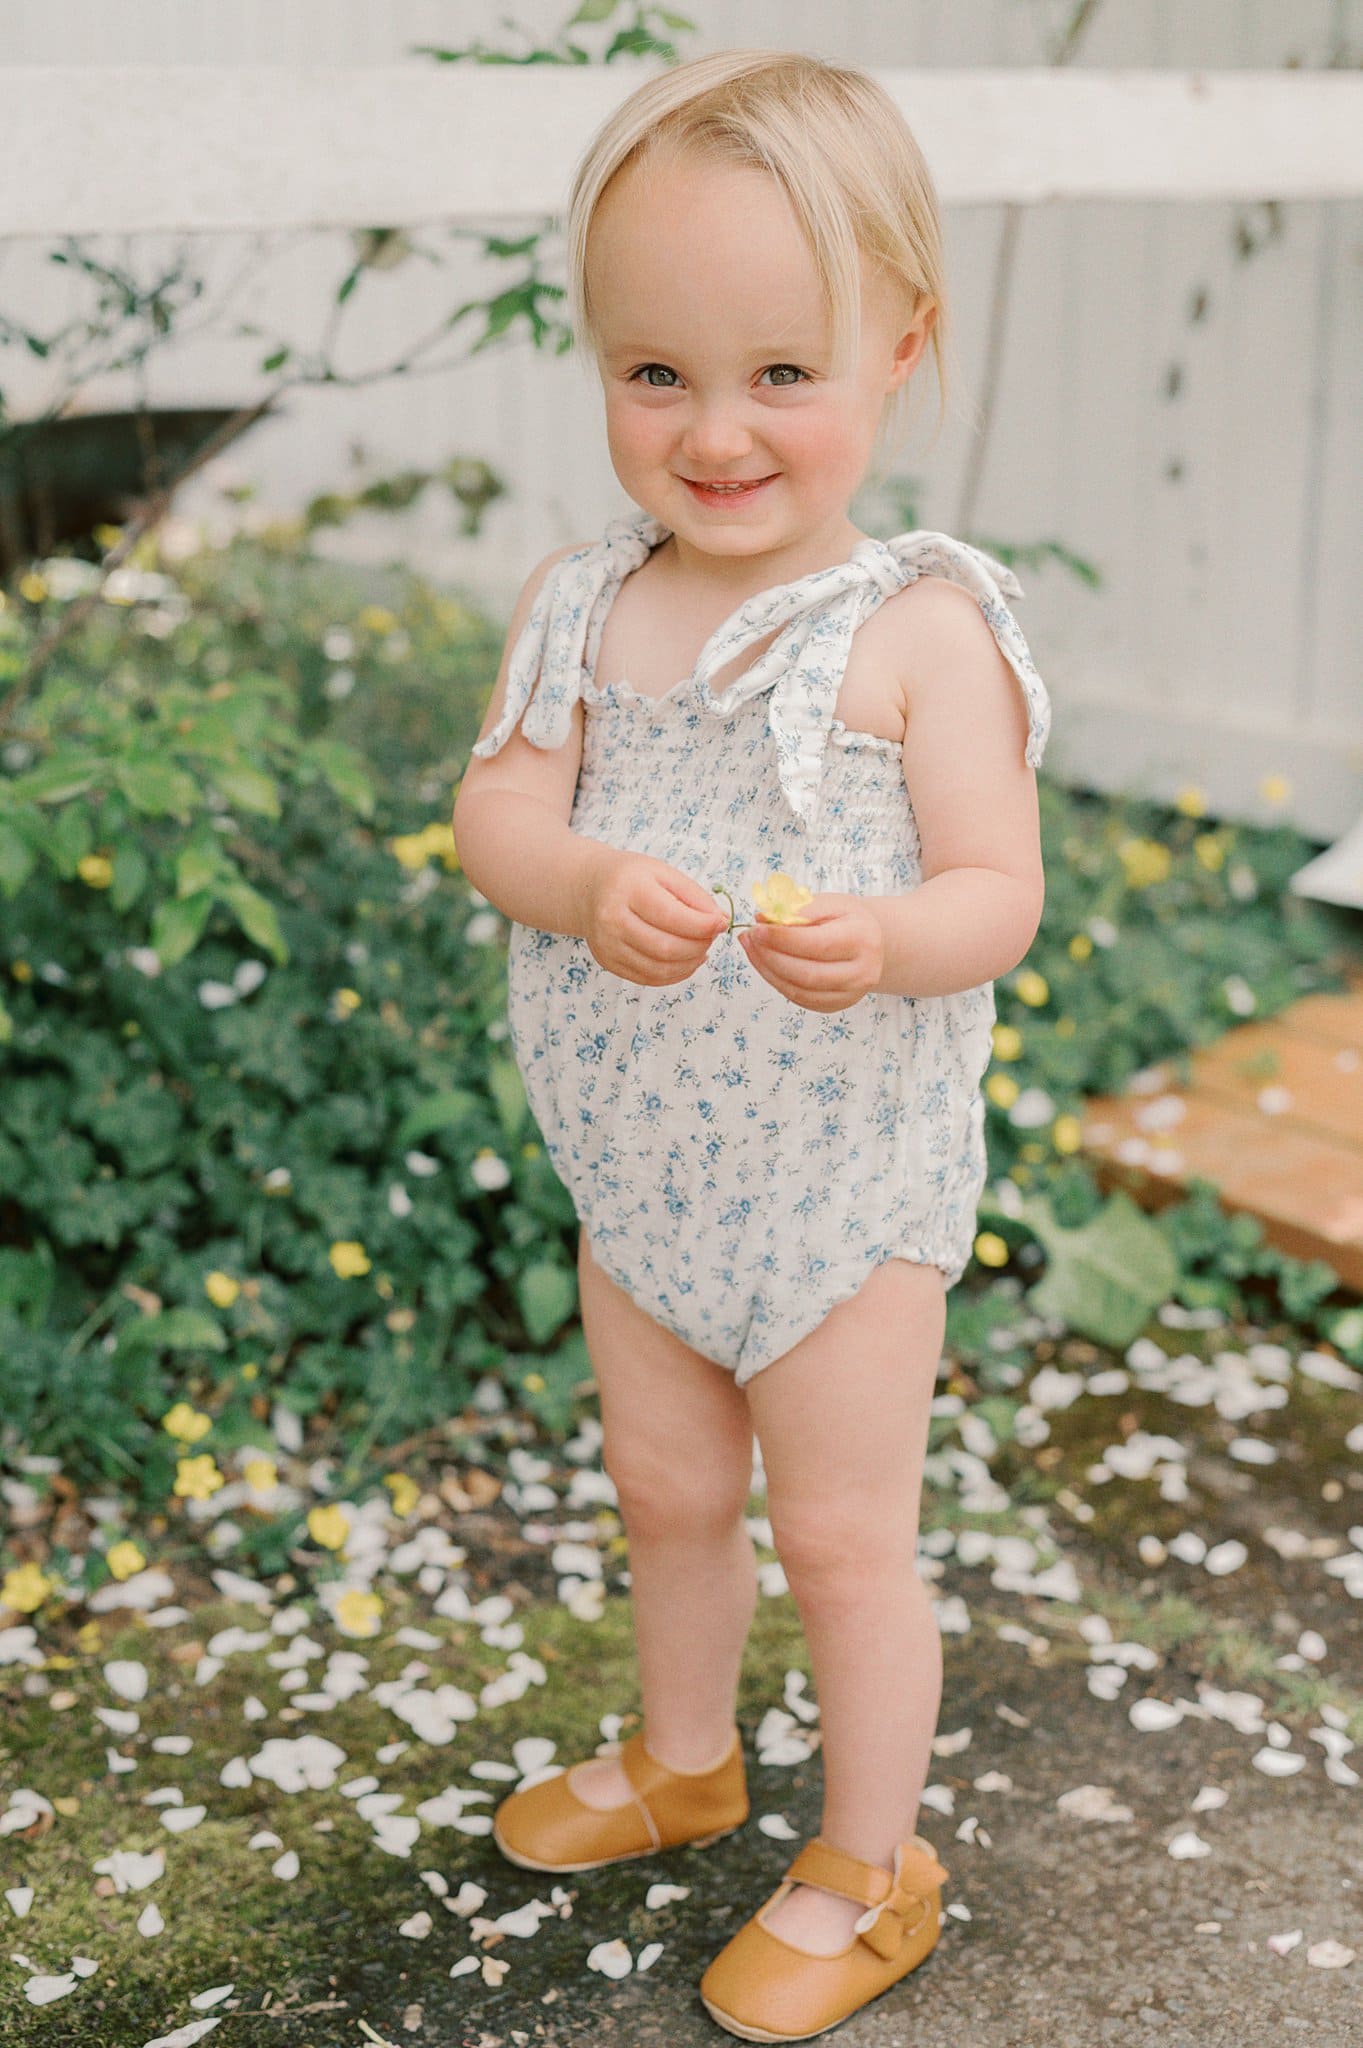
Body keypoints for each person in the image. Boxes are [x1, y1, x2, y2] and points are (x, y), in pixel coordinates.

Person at [451, 45, 1051, 2042]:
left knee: (839, 1530)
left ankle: (871, 1860)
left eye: (780, 372)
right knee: (662, 1481)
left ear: (900, 346)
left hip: (840, 1190)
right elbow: (500, 819)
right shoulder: (580, 604)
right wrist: (577, 884)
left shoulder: (915, 632)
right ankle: (684, 1756)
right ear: (601, 358)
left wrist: (882, 937)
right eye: (655, 374)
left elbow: (996, 890)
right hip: (648, 1172)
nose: (712, 432)